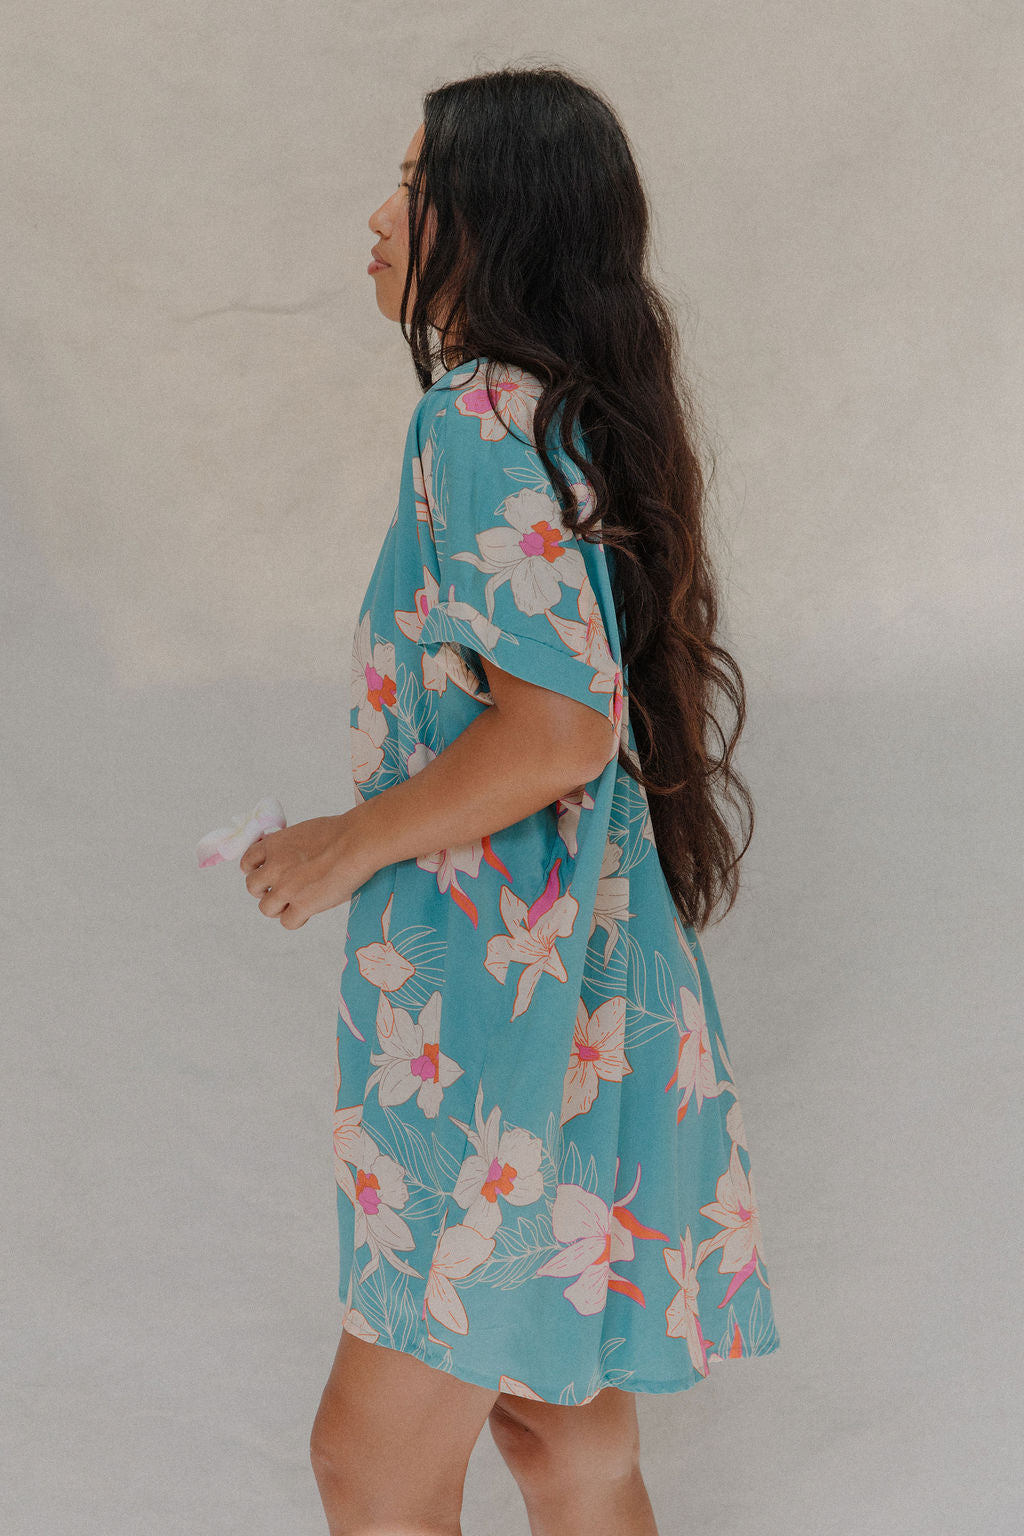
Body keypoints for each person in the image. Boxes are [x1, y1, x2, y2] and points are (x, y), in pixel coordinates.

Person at [240, 65, 781, 1536]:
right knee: (564, 1436)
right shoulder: (563, 419)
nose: (379, 217)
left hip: (495, 1028)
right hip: (576, 1010)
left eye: (415, 187)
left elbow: (558, 729)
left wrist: (342, 846)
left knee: (374, 1457)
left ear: (493, 224)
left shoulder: (476, 423)